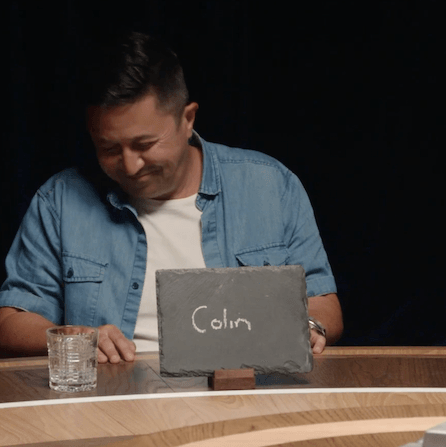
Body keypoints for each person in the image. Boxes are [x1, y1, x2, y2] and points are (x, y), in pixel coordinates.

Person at [0, 32, 342, 363]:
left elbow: (323, 302)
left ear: (187, 119)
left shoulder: (271, 185)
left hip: (244, 390)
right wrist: (76, 339)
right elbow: (10, 322)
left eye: (145, 145)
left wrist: (310, 328)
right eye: (109, 149)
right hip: (111, 396)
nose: (130, 166)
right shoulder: (59, 201)